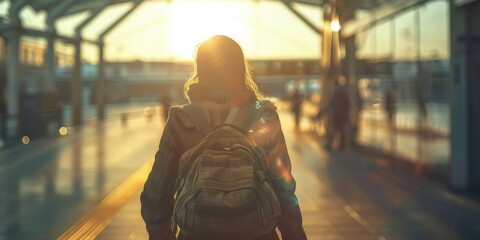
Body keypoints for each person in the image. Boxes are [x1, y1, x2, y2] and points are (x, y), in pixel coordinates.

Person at [140, 35, 307, 240]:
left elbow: (154, 196)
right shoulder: (264, 116)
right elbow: (285, 192)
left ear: (200, 70)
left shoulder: (181, 120)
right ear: (240, 69)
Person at [326, 76, 350, 150]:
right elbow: (348, 105)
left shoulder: (335, 93)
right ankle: (341, 145)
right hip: (343, 115)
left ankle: (330, 144)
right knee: (342, 130)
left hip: (336, 115)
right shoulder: (344, 93)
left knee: (333, 129)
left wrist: (328, 110)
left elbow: (331, 104)